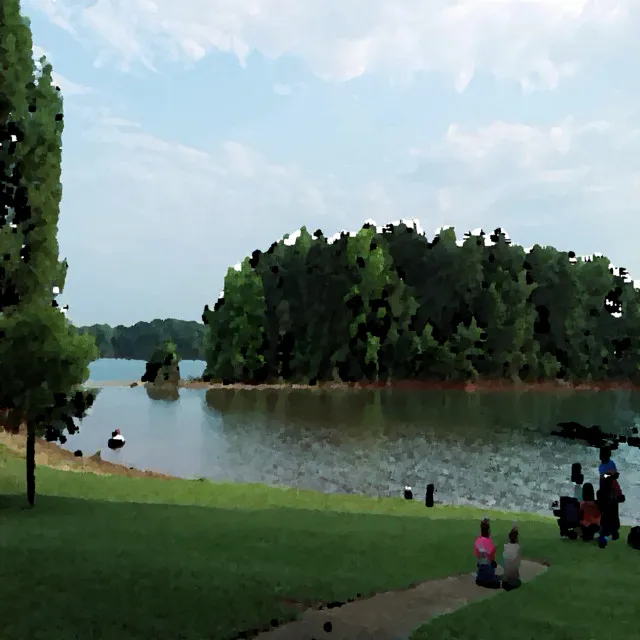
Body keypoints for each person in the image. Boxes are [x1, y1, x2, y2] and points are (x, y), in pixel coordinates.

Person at [598, 447, 621, 541]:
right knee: (609, 512)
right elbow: (607, 475)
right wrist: (610, 475)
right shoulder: (604, 465)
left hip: (610, 490)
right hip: (607, 489)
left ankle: (612, 531)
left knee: (611, 512)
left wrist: (608, 475)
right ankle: (610, 531)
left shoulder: (609, 464)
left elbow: (609, 476)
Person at [474, 518, 501, 589]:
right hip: (488, 574)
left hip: (480, 572)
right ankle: (490, 579)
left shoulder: (477, 541)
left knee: (481, 563)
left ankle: (481, 577)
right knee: (492, 564)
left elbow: (477, 555)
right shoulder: (490, 543)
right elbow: (492, 558)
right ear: (489, 531)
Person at [501, 526, 521, 591]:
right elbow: (518, 564)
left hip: (505, 580)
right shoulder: (517, 548)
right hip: (514, 580)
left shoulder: (505, 547)